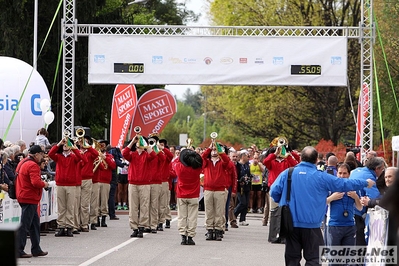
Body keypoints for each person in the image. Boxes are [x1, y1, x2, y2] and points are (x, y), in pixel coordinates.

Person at [270, 146, 375, 265]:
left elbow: (273, 192)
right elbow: (343, 184)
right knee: (314, 259)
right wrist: (365, 183)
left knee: (292, 259)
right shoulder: (320, 176)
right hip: (312, 225)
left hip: (291, 223)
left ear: (300, 158)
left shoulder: (287, 174)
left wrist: (284, 201)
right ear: (316, 160)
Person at [16, 145, 49, 258]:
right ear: (36, 154)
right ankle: (19, 250)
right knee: (25, 225)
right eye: (41, 154)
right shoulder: (33, 165)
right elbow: (35, 183)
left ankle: (36, 248)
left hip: (23, 195)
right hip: (29, 197)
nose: (43, 157)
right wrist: (44, 184)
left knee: (34, 224)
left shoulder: (23, 162)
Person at [48, 137, 83, 237]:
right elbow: (50, 154)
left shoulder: (73, 157)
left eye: (67, 145)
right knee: (61, 207)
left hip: (71, 184)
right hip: (60, 184)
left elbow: (82, 158)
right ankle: (61, 226)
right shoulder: (58, 156)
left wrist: (74, 147)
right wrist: (59, 144)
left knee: (70, 206)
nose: (65, 146)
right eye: (64, 145)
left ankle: (69, 226)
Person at [122, 136, 156, 238]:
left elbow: (154, 155)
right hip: (133, 183)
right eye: (139, 143)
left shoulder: (147, 155)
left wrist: (146, 145)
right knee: (133, 206)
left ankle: (142, 227)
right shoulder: (132, 155)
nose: (139, 144)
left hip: (145, 184)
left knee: (144, 206)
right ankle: (134, 228)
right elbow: (124, 153)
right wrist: (133, 141)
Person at [325, 163, 362, 252]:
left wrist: (355, 197)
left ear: (349, 174)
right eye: (340, 173)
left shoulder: (354, 187)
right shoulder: (331, 187)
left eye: (344, 173)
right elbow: (321, 203)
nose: (342, 176)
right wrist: (332, 198)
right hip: (334, 225)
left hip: (349, 226)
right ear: (336, 173)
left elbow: (360, 207)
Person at [349, 156, 384, 246]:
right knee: (360, 242)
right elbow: (373, 198)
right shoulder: (370, 177)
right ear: (377, 169)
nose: (382, 172)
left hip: (350, 208)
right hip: (358, 212)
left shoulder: (357, 170)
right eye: (382, 169)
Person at [174, 149, 203, 245]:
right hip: (193, 195)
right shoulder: (197, 169)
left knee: (182, 216)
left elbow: (176, 161)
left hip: (182, 195)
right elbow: (202, 160)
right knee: (192, 217)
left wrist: (183, 154)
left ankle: (183, 236)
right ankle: (190, 236)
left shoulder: (179, 167)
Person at [202, 141, 229, 241]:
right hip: (208, 189)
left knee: (219, 211)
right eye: (212, 150)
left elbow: (227, 161)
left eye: (215, 150)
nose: (214, 152)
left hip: (219, 190)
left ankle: (218, 230)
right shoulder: (207, 162)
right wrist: (209, 148)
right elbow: (201, 158)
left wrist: (220, 151)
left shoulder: (222, 162)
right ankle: (209, 230)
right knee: (209, 211)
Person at [234, 151, 251, 226]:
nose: (248, 157)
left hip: (247, 186)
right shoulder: (238, 165)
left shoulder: (247, 165)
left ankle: (242, 219)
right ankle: (233, 214)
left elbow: (248, 174)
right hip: (240, 187)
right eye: (247, 156)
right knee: (242, 202)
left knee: (246, 203)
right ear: (243, 156)